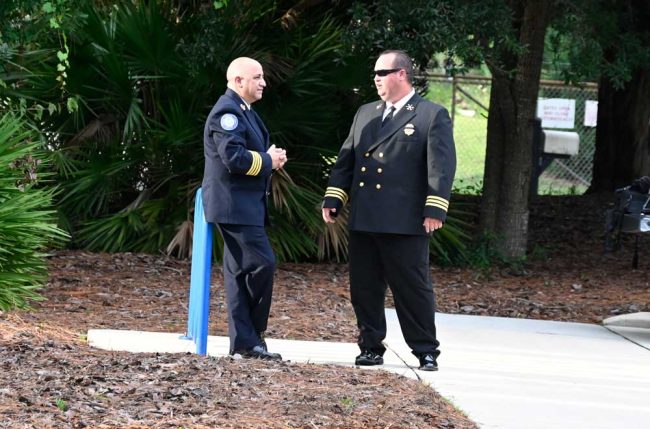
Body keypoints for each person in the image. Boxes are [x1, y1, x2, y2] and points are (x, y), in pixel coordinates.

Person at [322, 50, 456, 371]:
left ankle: (425, 350)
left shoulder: (429, 114)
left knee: (412, 289)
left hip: (404, 221)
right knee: (365, 288)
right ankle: (370, 347)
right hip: (366, 218)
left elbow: (441, 166)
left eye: (383, 72)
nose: (376, 79)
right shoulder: (366, 113)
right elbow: (347, 159)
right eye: (375, 73)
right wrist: (334, 198)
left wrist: (435, 207)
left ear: (401, 74)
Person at [202, 57, 287, 360]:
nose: (264, 82)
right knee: (263, 264)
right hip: (233, 206)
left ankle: (245, 343)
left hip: (245, 205)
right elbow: (234, 158)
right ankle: (252, 336)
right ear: (238, 81)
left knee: (239, 275)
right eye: (258, 77)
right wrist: (268, 161)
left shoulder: (245, 111)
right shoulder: (227, 112)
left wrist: (268, 158)